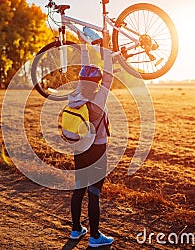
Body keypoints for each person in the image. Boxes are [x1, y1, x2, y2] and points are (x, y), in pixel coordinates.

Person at [68, 44, 114, 248]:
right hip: (97, 150)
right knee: (94, 192)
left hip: (79, 149)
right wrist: (109, 53)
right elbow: (109, 75)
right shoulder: (99, 98)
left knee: (79, 189)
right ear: (97, 82)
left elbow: (85, 72)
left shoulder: (76, 96)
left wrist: (84, 48)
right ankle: (95, 237)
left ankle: (76, 229)